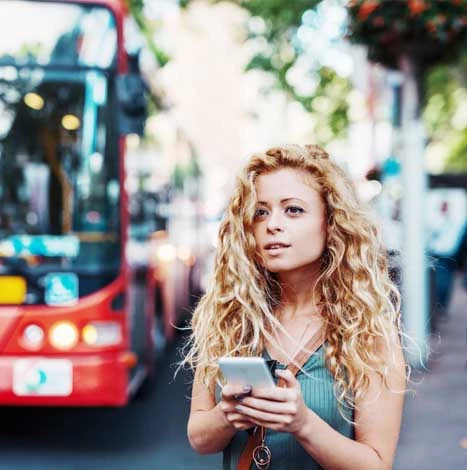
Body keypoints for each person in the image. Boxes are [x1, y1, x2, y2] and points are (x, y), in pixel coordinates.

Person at [182, 144, 407, 469]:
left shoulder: (367, 331)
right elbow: (199, 437)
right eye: (260, 212)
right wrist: (227, 414)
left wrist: (303, 423)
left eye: (293, 210)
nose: (272, 224)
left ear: (330, 224)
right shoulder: (230, 317)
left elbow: (376, 464)